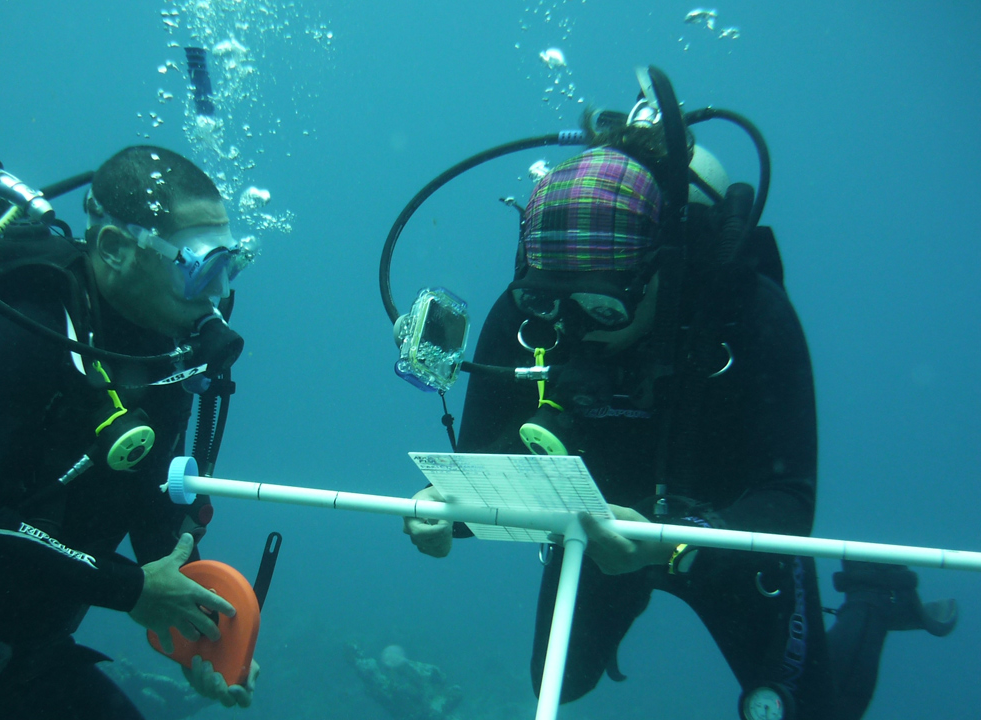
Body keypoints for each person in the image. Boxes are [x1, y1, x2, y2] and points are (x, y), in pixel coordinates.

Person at [402, 105, 957, 719]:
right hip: (600, 525)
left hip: (727, 529)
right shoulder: (529, 314)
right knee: (558, 684)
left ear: (662, 270)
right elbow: (483, 458)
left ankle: (875, 598)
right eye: (551, 298)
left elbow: (790, 499)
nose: (577, 328)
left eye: (602, 305)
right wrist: (445, 511)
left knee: (814, 713)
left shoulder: (750, 315)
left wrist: (668, 547)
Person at [0, 145, 261, 719]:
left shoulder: (167, 352)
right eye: (197, 264)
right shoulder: (28, 329)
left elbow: (153, 514)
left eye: (229, 263)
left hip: (45, 665)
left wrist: (205, 639)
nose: (215, 290)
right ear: (114, 248)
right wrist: (129, 589)